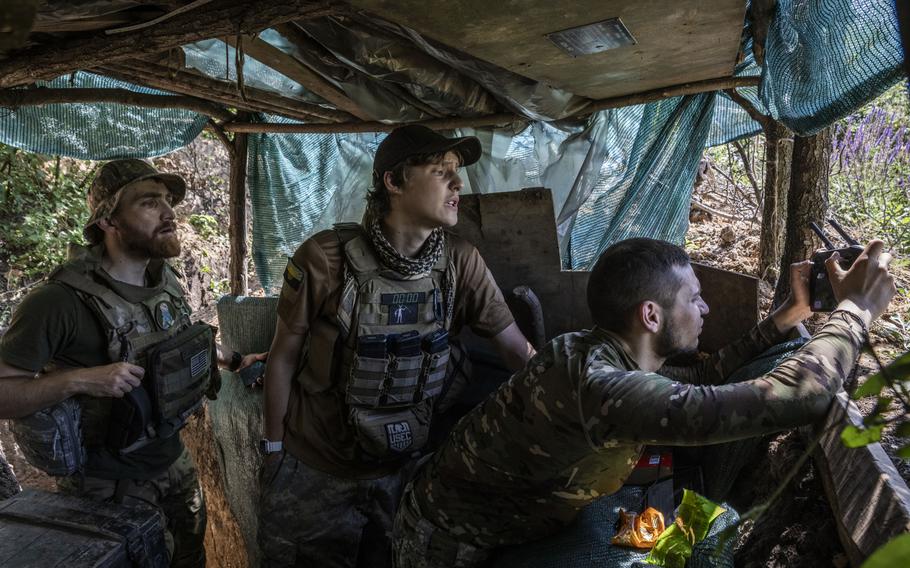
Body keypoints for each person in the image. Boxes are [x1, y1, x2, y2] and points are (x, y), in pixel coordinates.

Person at [393, 236, 896, 568]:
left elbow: (702, 374)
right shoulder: (605, 388)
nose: (706, 307)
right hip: (449, 545)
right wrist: (855, 311)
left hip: (480, 513)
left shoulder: (600, 350)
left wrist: (787, 318)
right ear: (651, 315)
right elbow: (799, 397)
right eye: (693, 298)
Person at [258, 125, 534, 568]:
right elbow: (283, 356)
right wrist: (272, 452)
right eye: (440, 170)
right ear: (394, 181)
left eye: (457, 172)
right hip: (316, 473)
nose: (458, 183)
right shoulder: (325, 258)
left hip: (402, 475)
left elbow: (519, 355)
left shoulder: (461, 261)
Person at [0, 159, 266, 568]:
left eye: (167, 201)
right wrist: (79, 380)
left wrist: (233, 360)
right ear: (108, 220)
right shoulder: (57, 303)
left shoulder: (164, 279)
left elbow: (170, 347)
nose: (168, 212)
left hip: (173, 464)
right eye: (148, 203)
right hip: (105, 490)